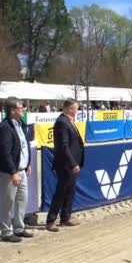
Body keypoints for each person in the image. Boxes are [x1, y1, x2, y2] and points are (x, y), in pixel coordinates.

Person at [0, 97, 34, 243]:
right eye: (20, 107)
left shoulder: (20, 124)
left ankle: (19, 227)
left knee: (22, 200)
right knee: (8, 202)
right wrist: (13, 172)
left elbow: (23, 146)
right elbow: (4, 153)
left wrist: (27, 163)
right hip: (9, 172)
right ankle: (6, 231)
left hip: (21, 169)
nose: (23, 109)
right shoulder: (5, 127)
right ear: (12, 110)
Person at [45, 99, 85, 232]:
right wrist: (73, 163)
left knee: (70, 190)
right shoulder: (62, 122)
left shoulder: (70, 121)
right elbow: (64, 146)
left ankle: (65, 217)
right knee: (61, 191)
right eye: (75, 108)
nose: (77, 111)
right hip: (65, 164)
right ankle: (51, 220)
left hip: (72, 163)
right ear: (68, 108)